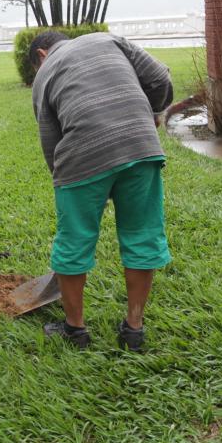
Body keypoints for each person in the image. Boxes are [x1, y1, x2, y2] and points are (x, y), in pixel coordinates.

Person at [29, 31, 174, 352]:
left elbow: (49, 138)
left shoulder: (44, 75)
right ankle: (134, 328)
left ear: (42, 54)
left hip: (80, 156)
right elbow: (160, 76)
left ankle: (74, 329)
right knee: (141, 234)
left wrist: (68, 183)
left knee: (74, 240)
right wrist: (152, 114)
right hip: (141, 146)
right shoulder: (108, 40)